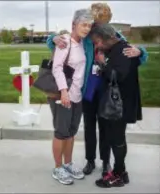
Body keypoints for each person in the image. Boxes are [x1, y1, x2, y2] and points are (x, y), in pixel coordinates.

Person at [46, 2, 148, 177]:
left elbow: (131, 53)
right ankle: (90, 160)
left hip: (104, 89)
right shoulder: (85, 35)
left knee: (106, 127)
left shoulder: (114, 35)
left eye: (102, 23)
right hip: (86, 89)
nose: (97, 28)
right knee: (89, 127)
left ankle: (106, 161)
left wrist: (140, 51)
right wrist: (53, 38)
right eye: (95, 23)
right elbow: (59, 43)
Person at [89, 23, 142, 188]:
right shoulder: (115, 49)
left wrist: (102, 64)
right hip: (118, 103)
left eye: (98, 42)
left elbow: (116, 76)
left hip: (121, 104)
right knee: (115, 137)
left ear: (108, 38)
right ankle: (122, 172)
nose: (97, 46)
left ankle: (118, 175)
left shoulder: (123, 51)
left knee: (117, 139)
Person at [49, 8, 94, 185]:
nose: (87, 28)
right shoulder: (64, 42)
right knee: (61, 132)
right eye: (84, 25)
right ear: (74, 24)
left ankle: (68, 164)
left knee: (71, 132)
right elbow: (57, 67)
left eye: (89, 25)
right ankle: (58, 167)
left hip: (78, 95)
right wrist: (64, 90)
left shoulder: (85, 43)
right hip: (63, 95)